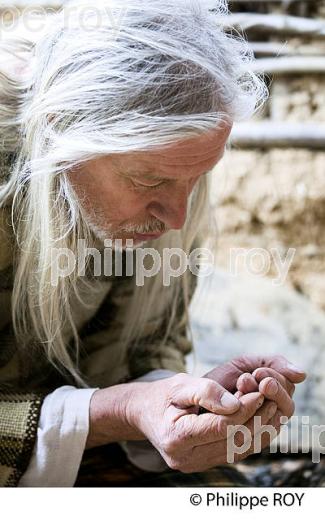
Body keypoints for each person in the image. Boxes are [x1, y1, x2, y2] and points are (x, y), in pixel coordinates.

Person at [0, 0, 306, 487]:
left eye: (197, 179)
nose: (178, 217)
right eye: (148, 182)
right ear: (62, 127)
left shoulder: (173, 158)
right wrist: (117, 412)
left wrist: (179, 398)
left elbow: (153, 344)